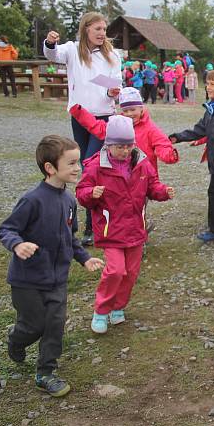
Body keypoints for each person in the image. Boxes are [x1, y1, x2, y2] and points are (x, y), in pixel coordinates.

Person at [0, 135, 105, 396]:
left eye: (77, 162)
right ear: (50, 168)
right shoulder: (32, 200)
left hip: (57, 280)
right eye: (71, 163)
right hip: (27, 281)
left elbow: (70, 237)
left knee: (55, 325)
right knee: (34, 325)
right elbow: (7, 228)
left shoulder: (69, 201)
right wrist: (17, 245)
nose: (77, 168)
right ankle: (17, 339)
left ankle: (46, 372)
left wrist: (84, 258)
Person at [76, 116, 174, 334]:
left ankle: (118, 307)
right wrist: (91, 193)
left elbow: (152, 186)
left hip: (135, 229)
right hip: (111, 230)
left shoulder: (141, 163)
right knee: (115, 270)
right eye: (119, 146)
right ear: (108, 145)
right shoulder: (95, 167)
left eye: (129, 145)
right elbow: (81, 193)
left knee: (130, 273)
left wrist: (163, 192)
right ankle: (101, 311)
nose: (124, 150)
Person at [43, 12, 122, 246]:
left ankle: (92, 226)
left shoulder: (112, 55)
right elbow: (52, 55)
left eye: (104, 29)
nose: (102, 33)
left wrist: (111, 91)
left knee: (91, 166)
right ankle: (85, 222)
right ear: (85, 29)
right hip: (79, 116)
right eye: (97, 29)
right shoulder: (72, 50)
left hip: (103, 118)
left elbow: (115, 82)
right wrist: (50, 42)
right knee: (82, 164)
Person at [169, 68, 214, 242]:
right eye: (207, 84)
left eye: (212, 84)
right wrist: (178, 137)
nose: (208, 87)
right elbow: (200, 129)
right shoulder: (212, 108)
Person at [69, 87, 179, 173]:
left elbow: (162, 144)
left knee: (137, 201)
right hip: (119, 174)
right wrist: (79, 113)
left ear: (141, 108)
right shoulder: (117, 124)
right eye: (125, 111)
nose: (129, 114)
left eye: (132, 109)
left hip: (143, 176)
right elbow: (98, 127)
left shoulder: (151, 129)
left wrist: (169, 155)